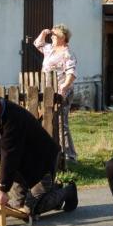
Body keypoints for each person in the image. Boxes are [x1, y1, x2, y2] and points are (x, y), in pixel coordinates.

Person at [0, 91, 78, 216]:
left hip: (40, 163)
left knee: (29, 211)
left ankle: (68, 191)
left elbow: (9, 154)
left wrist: (3, 189)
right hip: (19, 166)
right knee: (15, 208)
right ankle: (53, 190)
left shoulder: (13, 118)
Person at [34, 24, 78, 164]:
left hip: (61, 91)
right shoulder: (49, 49)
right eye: (52, 35)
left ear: (63, 37)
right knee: (48, 120)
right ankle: (54, 151)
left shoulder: (67, 53)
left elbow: (71, 73)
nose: (52, 37)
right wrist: (44, 33)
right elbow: (37, 43)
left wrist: (64, 87)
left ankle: (70, 156)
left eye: (55, 35)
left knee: (61, 122)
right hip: (48, 91)